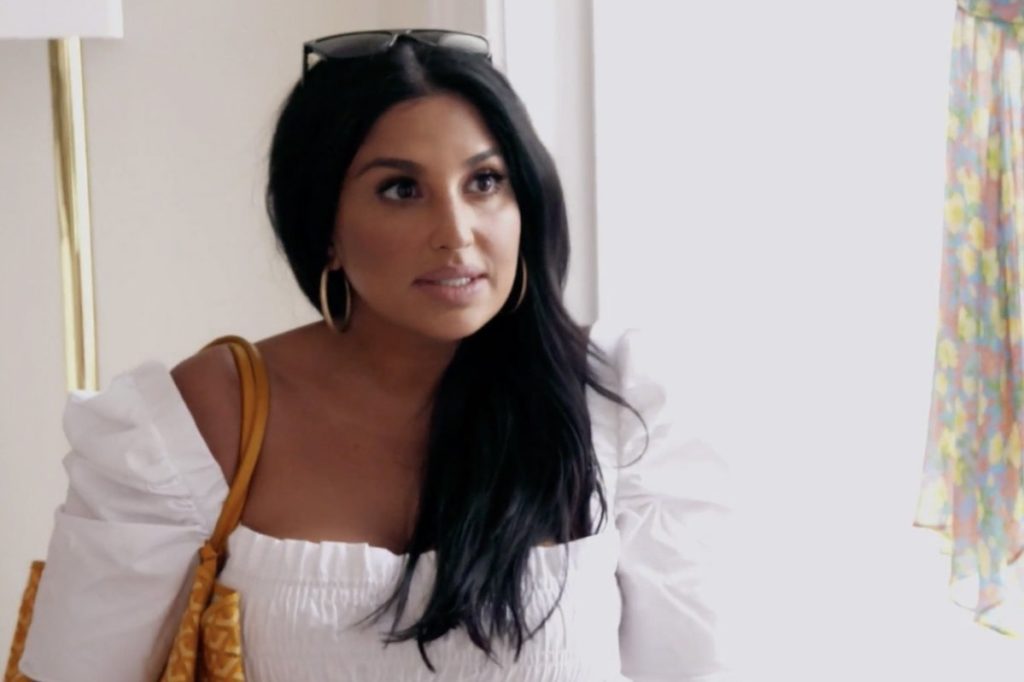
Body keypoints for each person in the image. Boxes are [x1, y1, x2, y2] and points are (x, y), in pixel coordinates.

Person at [17, 29, 735, 681]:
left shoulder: (616, 407)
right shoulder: (207, 418)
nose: (456, 231)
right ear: (324, 227)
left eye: (485, 182)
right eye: (400, 190)